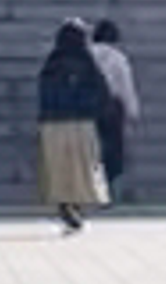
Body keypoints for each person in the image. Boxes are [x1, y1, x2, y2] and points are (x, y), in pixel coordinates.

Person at [33, 15, 113, 229]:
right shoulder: (86, 62)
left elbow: (43, 93)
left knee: (59, 169)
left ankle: (64, 204)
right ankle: (76, 205)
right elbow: (101, 91)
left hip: (53, 125)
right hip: (81, 122)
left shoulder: (52, 63)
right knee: (80, 168)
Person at [87, 12, 140, 201]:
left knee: (90, 150)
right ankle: (112, 190)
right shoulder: (117, 58)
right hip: (112, 109)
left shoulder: (85, 55)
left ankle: (90, 190)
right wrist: (132, 111)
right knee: (113, 151)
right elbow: (125, 86)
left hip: (87, 109)